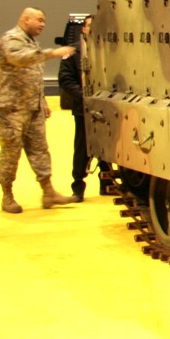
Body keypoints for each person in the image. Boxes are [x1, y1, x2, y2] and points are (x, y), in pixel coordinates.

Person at [0, 7, 77, 214]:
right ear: (25, 19)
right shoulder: (11, 38)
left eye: (44, 21)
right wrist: (51, 53)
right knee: (11, 153)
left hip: (33, 107)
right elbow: (19, 59)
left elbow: (33, 76)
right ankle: (7, 196)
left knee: (40, 150)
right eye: (39, 20)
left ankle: (48, 192)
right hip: (13, 108)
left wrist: (43, 102)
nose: (42, 25)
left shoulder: (31, 42)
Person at [58, 15, 110, 200]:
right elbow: (65, 79)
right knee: (82, 148)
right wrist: (84, 95)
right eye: (89, 26)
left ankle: (107, 184)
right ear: (83, 29)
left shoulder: (108, 50)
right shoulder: (72, 52)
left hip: (106, 108)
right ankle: (78, 187)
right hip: (83, 108)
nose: (92, 29)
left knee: (106, 146)